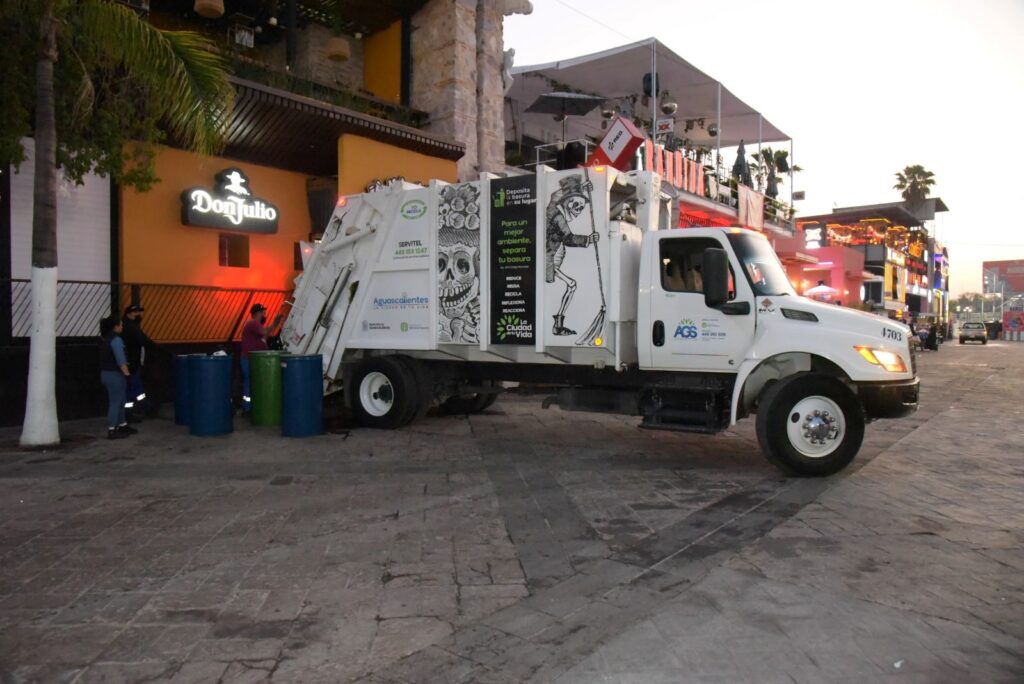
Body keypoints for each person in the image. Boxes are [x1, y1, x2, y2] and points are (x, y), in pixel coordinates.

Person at [99, 316, 137, 440]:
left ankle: (122, 424)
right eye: (121, 325)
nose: (122, 326)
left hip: (106, 374)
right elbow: (121, 361)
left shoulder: (106, 339)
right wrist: (127, 375)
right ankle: (112, 430)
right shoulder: (116, 340)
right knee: (115, 403)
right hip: (115, 375)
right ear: (115, 327)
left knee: (121, 401)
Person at [122, 304, 158, 421]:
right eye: (135, 312)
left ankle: (134, 410)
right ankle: (141, 409)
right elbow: (144, 341)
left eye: (139, 312)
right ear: (129, 313)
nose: (138, 314)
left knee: (133, 388)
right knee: (135, 388)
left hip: (130, 362)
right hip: (132, 363)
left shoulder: (128, 325)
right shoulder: (132, 327)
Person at [240, 303, 272, 413]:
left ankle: (248, 408)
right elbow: (265, 332)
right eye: (263, 313)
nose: (264, 315)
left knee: (249, 383)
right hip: (248, 361)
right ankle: (248, 409)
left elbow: (262, 340)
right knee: (250, 383)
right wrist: (276, 323)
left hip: (249, 360)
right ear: (257, 314)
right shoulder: (253, 323)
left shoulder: (255, 326)